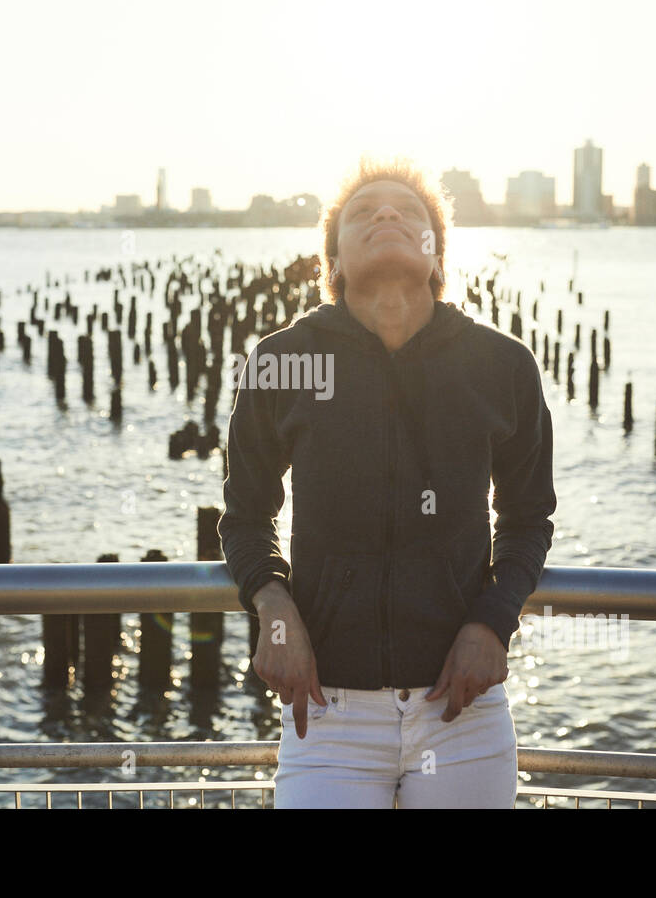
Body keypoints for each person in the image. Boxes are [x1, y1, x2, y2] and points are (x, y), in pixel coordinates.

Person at [218, 155, 556, 808]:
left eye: (407, 209)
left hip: (463, 710)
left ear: (437, 257)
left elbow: (527, 518)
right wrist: (272, 602)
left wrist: (492, 622)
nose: (385, 213)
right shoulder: (282, 361)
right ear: (334, 265)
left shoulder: (504, 365)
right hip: (328, 711)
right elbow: (245, 515)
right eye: (362, 211)